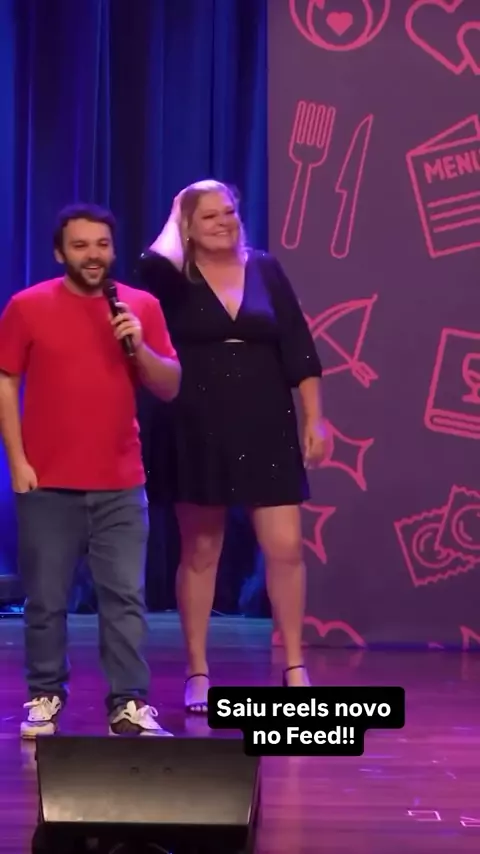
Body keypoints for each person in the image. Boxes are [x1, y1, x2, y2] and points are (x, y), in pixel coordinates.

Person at [137, 180, 326, 714]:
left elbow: (299, 347)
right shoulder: (169, 277)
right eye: (210, 216)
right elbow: (150, 263)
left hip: (266, 421)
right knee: (201, 550)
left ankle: (295, 665)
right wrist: (178, 214)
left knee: (285, 548)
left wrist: (315, 418)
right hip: (196, 422)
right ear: (186, 227)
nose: (225, 222)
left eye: (230, 212)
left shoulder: (265, 268)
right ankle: (198, 671)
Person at [0, 203, 181, 738]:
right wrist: (18, 462)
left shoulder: (141, 306)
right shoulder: (27, 306)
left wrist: (139, 347)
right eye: (80, 246)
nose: (93, 255)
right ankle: (44, 696)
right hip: (47, 482)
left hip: (121, 483)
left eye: (102, 244)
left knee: (124, 599)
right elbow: (6, 382)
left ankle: (129, 702)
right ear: (60, 253)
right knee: (46, 600)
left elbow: (169, 385)